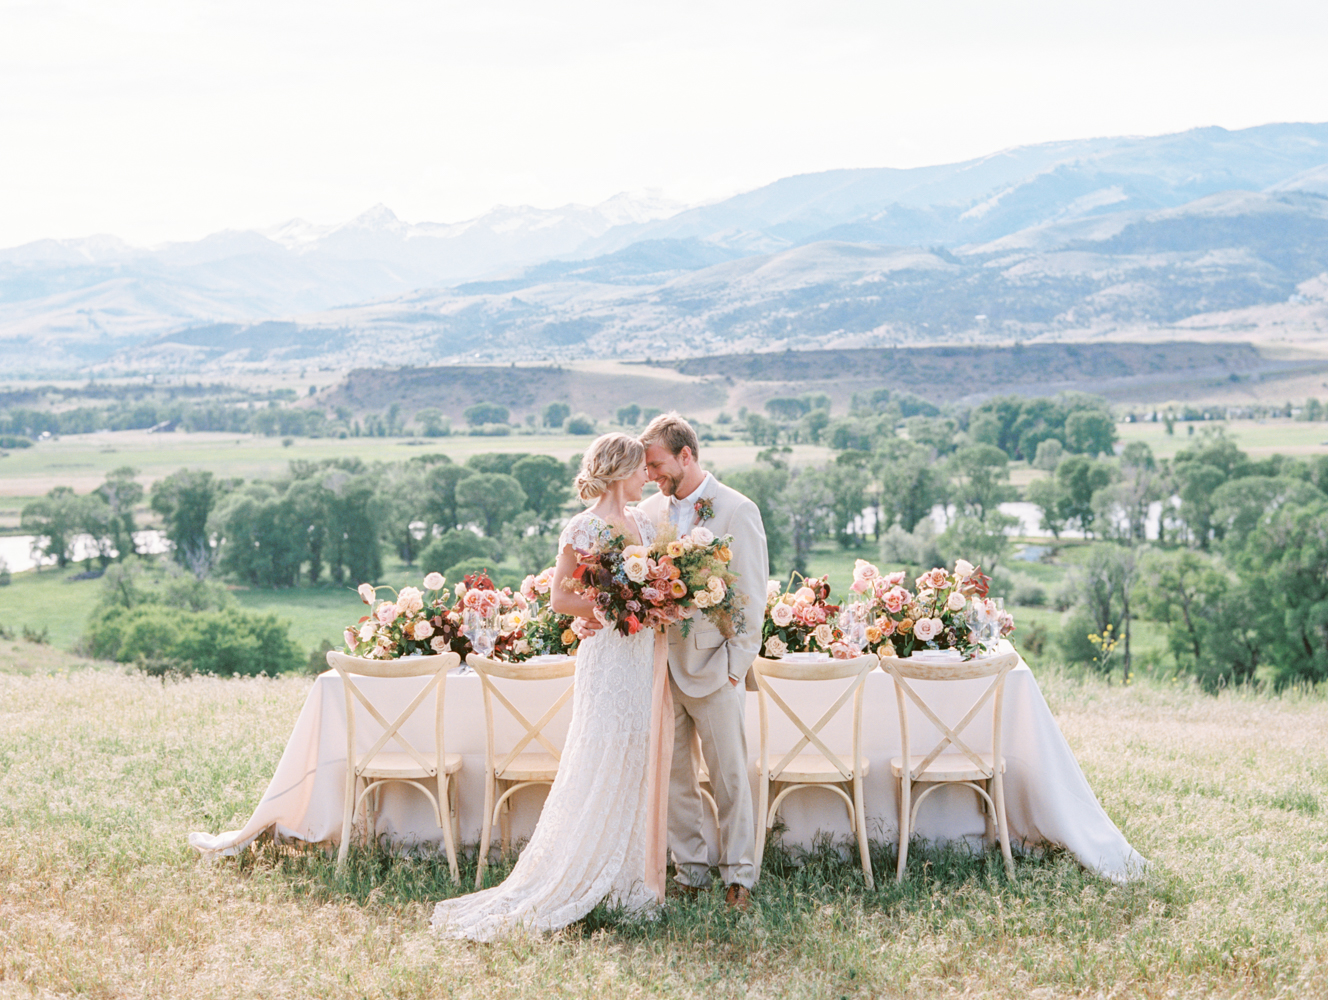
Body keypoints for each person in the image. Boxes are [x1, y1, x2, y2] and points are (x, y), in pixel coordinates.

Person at [431, 433, 659, 941]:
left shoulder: (643, 521)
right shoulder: (582, 526)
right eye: (642, 467)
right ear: (622, 469)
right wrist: (611, 607)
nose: (648, 474)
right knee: (600, 752)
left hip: (642, 656)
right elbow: (560, 598)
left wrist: (652, 601)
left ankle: (626, 877)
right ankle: (574, 872)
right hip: (607, 656)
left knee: (635, 754)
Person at [637, 412, 768, 910]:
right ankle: (689, 870)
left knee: (729, 775)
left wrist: (735, 666)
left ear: (686, 455)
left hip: (716, 667)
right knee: (675, 779)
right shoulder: (649, 513)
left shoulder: (737, 510)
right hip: (660, 670)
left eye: (657, 464)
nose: (651, 475)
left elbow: (751, 596)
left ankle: (740, 875)